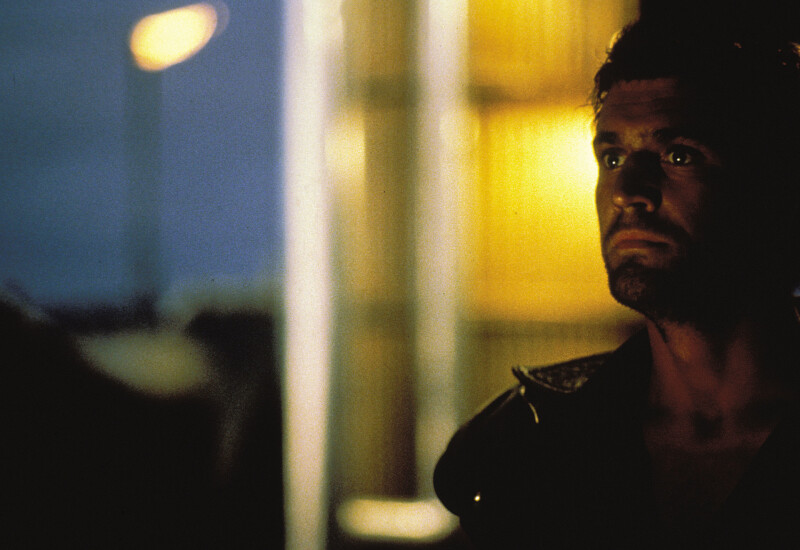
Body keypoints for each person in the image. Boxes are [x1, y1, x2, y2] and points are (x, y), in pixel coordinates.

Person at [434, 8, 800, 549]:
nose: (628, 191)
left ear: (774, 186)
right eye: (612, 157)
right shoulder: (527, 440)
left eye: (679, 155)